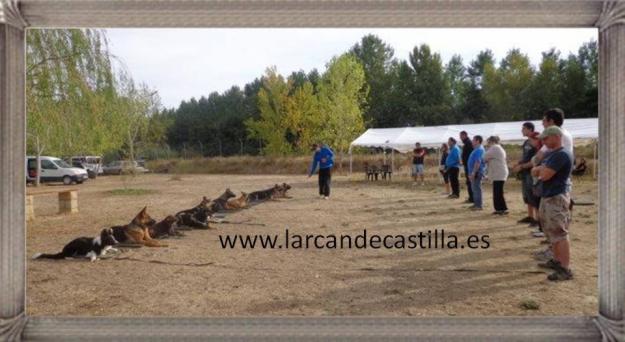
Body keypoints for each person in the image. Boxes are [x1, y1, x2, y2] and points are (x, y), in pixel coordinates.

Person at [531, 126, 574, 281]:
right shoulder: (553, 155)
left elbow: (545, 175)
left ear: (556, 136)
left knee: (559, 233)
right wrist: (540, 170)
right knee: (551, 231)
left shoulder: (561, 155)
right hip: (549, 197)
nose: (544, 141)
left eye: (546, 138)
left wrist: (540, 169)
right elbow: (537, 171)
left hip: (556, 198)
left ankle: (565, 268)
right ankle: (557, 261)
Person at [513, 122, 541, 227]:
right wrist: (519, 163)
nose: (522, 130)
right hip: (525, 173)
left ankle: (538, 220)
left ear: (530, 129)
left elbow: (535, 160)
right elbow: (525, 157)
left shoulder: (537, 142)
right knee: (527, 195)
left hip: (532, 172)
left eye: (524, 128)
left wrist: (522, 166)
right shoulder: (526, 143)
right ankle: (531, 217)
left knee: (534, 196)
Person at [484, 136, 509, 215]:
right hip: (498, 172)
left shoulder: (495, 147)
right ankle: (499, 208)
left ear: (492, 141)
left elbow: (484, 157)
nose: (488, 144)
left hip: (499, 173)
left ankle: (502, 209)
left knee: (498, 192)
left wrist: (488, 158)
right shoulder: (497, 148)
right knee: (497, 191)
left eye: (488, 142)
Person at [467, 135, 486, 210]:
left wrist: (473, 172)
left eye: (473, 140)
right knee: (474, 188)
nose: (472, 141)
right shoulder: (477, 149)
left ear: (478, 141)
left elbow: (478, 162)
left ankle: (478, 205)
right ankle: (476, 204)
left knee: (476, 188)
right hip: (474, 172)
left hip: (477, 172)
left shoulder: (479, 149)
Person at [460, 131, 475, 204]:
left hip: (469, 166)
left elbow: (469, 156)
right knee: (468, 182)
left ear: (465, 135)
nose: (460, 138)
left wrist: (466, 163)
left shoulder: (468, 143)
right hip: (467, 165)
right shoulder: (467, 143)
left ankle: (472, 198)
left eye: (461, 136)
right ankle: (471, 197)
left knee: (470, 182)